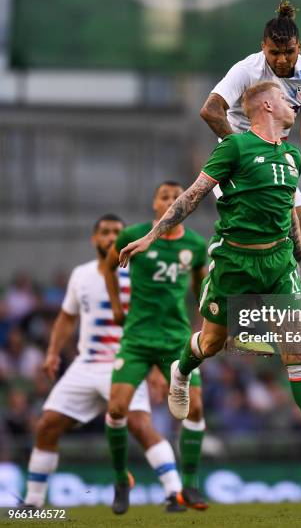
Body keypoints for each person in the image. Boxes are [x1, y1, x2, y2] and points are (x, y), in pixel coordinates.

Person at [119, 82, 301, 483]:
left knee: (297, 354)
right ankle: (181, 371)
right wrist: (150, 236)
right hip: (234, 260)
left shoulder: (290, 154)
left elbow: (287, 217)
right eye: (286, 99)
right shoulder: (234, 147)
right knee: (211, 343)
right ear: (266, 104)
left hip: (278, 262)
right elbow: (192, 196)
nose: (293, 105)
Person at [23, 215, 184, 513]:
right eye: (105, 232)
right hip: (86, 365)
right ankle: (33, 502)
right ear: (94, 239)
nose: (111, 237)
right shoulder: (81, 275)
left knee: (140, 425)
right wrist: (53, 352)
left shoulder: (140, 272)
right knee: (47, 425)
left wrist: (155, 368)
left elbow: (156, 320)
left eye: (117, 232)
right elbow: (67, 317)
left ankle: (175, 493)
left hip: (125, 361)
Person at [199, 1, 301, 310]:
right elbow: (210, 109)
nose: (282, 59)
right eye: (274, 53)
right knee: (254, 241)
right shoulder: (246, 71)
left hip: (275, 162)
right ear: (263, 48)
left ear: (300, 46)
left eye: (289, 52)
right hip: (238, 167)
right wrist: (242, 149)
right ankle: (227, 308)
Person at [104, 182, 208, 513]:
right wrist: (117, 308)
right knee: (117, 409)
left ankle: (189, 486)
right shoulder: (133, 236)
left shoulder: (194, 245)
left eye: (176, 196)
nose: (170, 200)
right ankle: (121, 479)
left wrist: (200, 327)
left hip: (176, 341)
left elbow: (199, 288)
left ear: (185, 204)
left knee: (196, 408)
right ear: (154, 203)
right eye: (164, 195)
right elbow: (109, 266)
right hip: (136, 340)